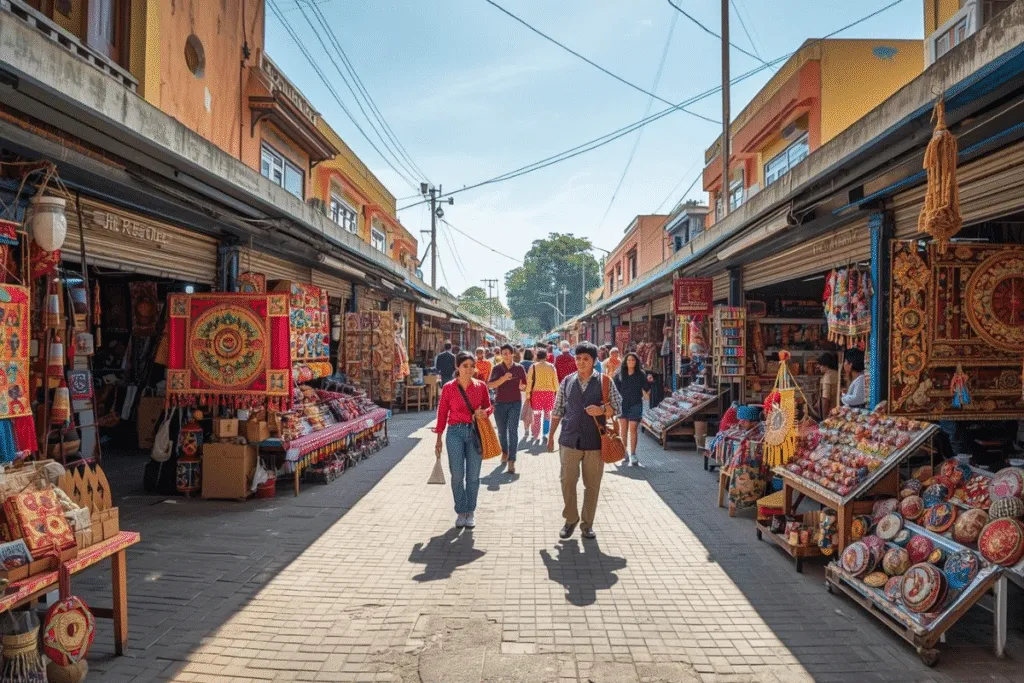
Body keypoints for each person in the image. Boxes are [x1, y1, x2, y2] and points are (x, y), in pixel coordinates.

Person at [548, 342, 622, 540]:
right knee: (567, 481)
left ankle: (587, 524)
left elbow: (617, 407)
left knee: (592, 485)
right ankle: (570, 519)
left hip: (595, 441)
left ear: (594, 361)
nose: (581, 362)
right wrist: (551, 437)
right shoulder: (567, 382)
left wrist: (603, 411)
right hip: (569, 439)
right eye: (578, 358)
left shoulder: (605, 382)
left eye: (586, 359)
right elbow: (557, 410)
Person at [435, 352, 492, 529]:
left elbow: (489, 406)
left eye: (471, 365)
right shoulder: (448, 388)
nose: (468, 369)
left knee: (473, 475)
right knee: (457, 474)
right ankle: (461, 511)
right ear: (457, 367)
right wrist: (439, 437)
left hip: (475, 433)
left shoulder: (481, 386)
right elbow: (442, 412)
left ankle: (471, 511)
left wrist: (485, 412)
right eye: (464, 365)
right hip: (455, 432)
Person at [489, 344, 527, 473]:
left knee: (513, 430)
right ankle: (504, 451)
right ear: (501, 355)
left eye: (508, 353)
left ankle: (512, 460)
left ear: (512, 354)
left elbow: (525, 385)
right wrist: (503, 378)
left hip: (515, 403)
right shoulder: (497, 368)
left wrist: (523, 387)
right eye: (503, 353)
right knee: (501, 431)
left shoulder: (519, 368)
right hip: (500, 403)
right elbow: (490, 385)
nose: (506, 355)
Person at [614, 352, 654, 467]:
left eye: (633, 360)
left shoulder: (640, 374)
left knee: (633, 429)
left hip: (636, 404)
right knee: (623, 430)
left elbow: (646, 388)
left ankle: (633, 454)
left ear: (636, 362)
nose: (631, 362)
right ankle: (624, 452)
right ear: (625, 362)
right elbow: (614, 390)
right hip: (622, 404)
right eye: (629, 360)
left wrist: (650, 381)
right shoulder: (619, 374)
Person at [525, 349, 558, 440]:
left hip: (537, 393)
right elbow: (555, 380)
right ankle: (545, 433)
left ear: (537, 356)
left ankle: (536, 434)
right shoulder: (551, 366)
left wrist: (528, 393)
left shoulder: (533, 366)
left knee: (537, 414)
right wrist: (556, 390)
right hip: (549, 393)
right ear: (546, 356)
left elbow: (530, 381)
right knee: (548, 414)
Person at [818, 352, 840, 417]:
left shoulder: (827, 376)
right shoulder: (837, 373)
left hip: (830, 412)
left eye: (820, 364)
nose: (819, 367)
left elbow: (825, 399)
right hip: (839, 409)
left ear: (825, 365)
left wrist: (825, 416)